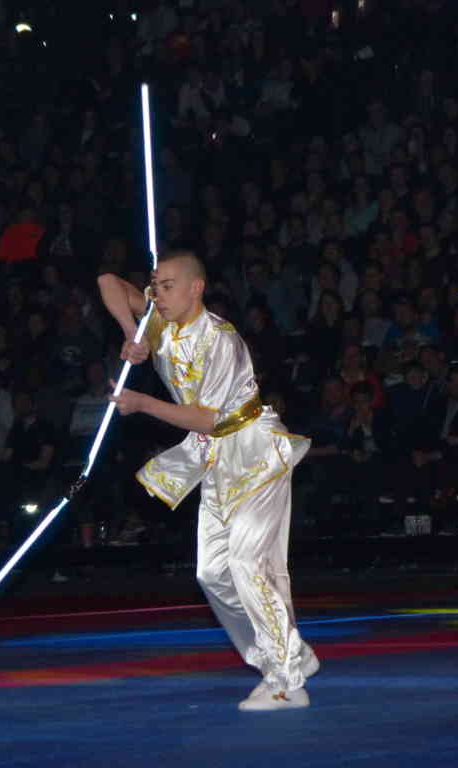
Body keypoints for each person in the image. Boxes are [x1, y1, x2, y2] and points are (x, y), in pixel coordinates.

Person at [98, 251, 318, 712]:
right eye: (154, 286)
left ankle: (286, 682)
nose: (157, 295)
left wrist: (143, 404)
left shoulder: (220, 338)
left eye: (167, 286)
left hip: (255, 452)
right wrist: (131, 332)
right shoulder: (159, 323)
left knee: (248, 564)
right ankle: (287, 654)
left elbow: (209, 418)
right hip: (217, 460)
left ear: (196, 288)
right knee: (212, 573)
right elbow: (108, 281)